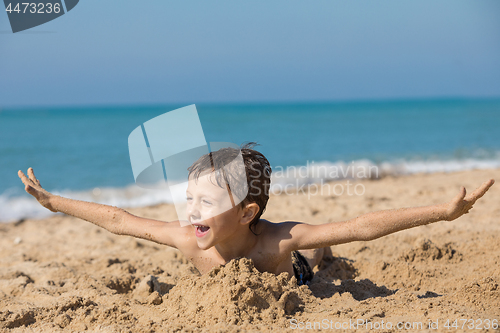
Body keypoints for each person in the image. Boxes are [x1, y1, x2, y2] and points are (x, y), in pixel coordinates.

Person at [18, 144, 494, 286]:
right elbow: (120, 220)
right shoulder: (189, 238)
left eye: (206, 203)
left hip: (296, 272)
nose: (192, 212)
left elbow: (360, 227)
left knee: (322, 246)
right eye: (189, 199)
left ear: (247, 213)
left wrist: (443, 213)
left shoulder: (276, 241)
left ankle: (320, 255)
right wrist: (54, 201)